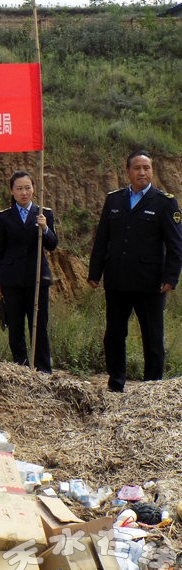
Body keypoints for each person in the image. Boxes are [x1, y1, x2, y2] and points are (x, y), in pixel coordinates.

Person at [88, 150, 182, 392]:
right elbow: (102, 239)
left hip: (150, 283)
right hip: (117, 280)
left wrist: (171, 277)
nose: (142, 172)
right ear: (128, 171)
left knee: (152, 337)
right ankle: (116, 383)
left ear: (152, 171)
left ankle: (152, 388)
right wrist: (95, 272)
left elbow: (175, 244)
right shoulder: (114, 200)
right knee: (114, 334)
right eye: (137, 168)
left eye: (146, 168)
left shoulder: (164, 202)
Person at [0, 171, 58, 372]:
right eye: (19, 188)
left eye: (27, 188)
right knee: (15, 327)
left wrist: (45, 228)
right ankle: (20, 369)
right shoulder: (5, 217)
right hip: (12, 280)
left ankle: (43, 371)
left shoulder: (43, 214)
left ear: (34, 189)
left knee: (39, 326)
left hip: (37, 279)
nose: (24, 192)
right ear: (12, 191)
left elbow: (52, 244)